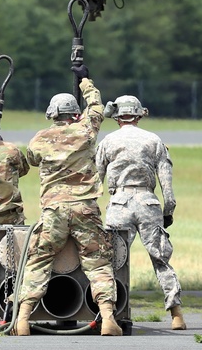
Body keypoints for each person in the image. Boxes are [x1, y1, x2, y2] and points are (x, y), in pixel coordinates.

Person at [13, 63, 122, 336]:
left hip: (54, 210)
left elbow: (31, 161)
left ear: (52, 114)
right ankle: (108, 319)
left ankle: (23, 319)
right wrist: (84, 79)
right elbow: (96, 105)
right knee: (97, 261)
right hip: (86, 208)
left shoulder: (40, 139)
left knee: (38, 260)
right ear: (75, 113)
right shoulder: (87, 130)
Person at [96, 95, 186, 330]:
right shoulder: (154, 140)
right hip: (148, 203)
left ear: (117, 118)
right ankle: (176, 314)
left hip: (118, 204)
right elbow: (167, 183)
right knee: (161, 260)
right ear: (138, 115)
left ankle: (109, 315)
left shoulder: (108, 141)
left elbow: (96, 179)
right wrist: (168, 211)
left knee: (112, 261)